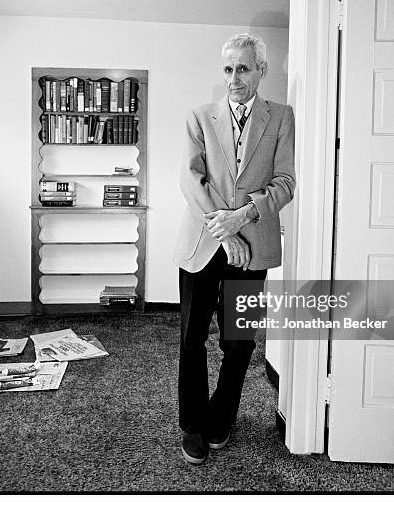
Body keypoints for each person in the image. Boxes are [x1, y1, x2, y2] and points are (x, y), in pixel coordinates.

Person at [172, 33, 296, 465]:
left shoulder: (280, 117)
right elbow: (191, 181)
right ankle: (193, 425)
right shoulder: (199, 116)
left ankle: (222, 415)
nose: (234, 78)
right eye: (228, 69)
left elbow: (285, 183)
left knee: (239, 339)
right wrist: (226, 232)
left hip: (253, 245)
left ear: (261, 70)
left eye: (243, 68)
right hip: (203, 243)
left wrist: (243, 218)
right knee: (192, 338)